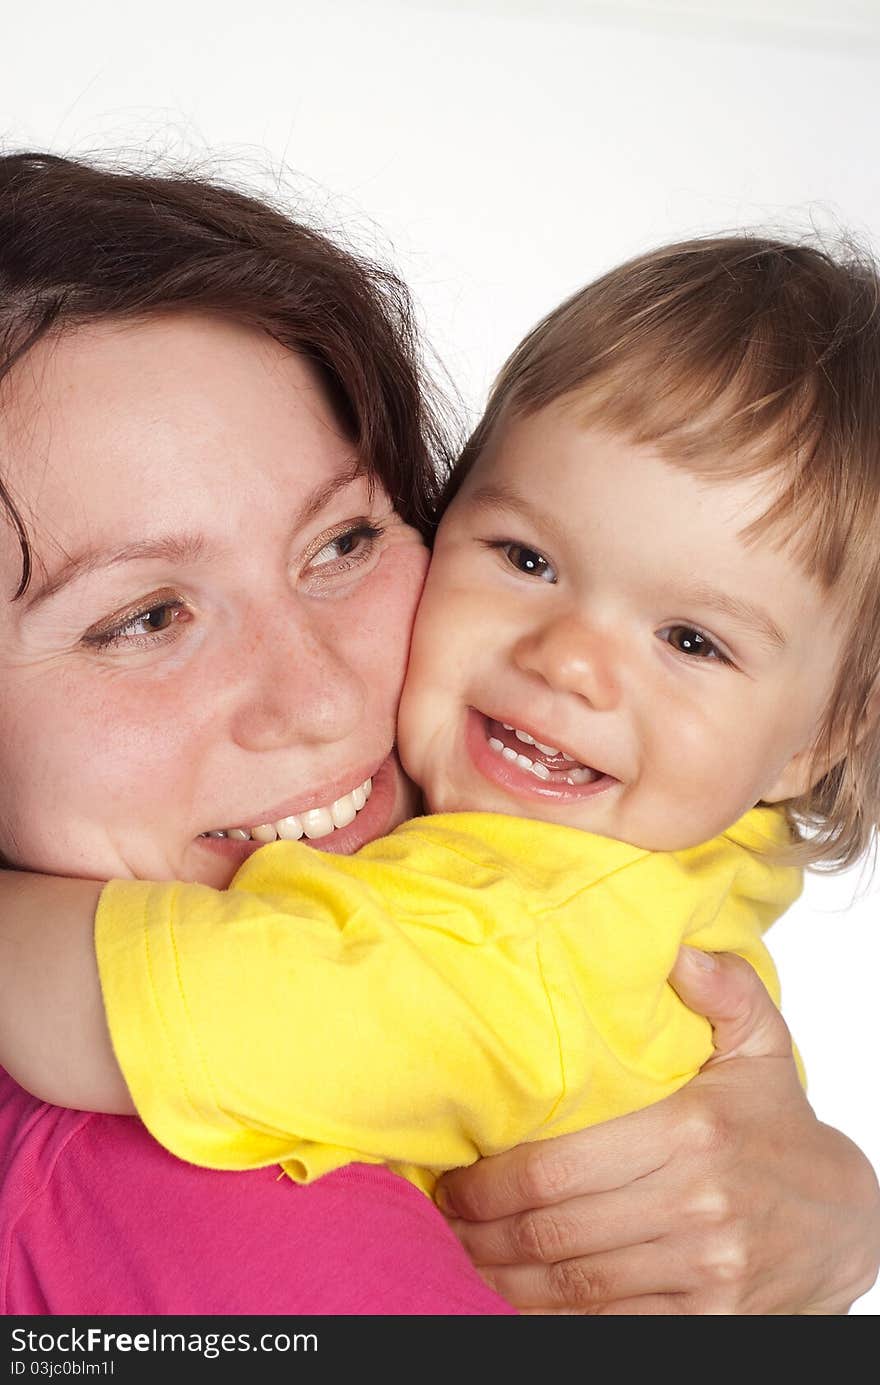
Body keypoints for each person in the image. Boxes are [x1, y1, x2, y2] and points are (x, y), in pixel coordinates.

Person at [0, 155, 877, 1316]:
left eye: (343, 543)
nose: (316, 701)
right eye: (144, 617)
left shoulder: (526, 926)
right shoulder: (173, 1202)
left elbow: (211, 999)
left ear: (815, 738)